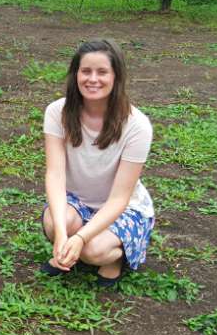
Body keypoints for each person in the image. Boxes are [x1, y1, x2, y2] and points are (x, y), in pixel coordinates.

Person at [40, 39, 154, 287]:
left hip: (123, 208)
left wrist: (80, 238)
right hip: (78, 201)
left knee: (93, 250)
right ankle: (72, 243)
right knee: (53, 223)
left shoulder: (137, 126)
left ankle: (114, 258)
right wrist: (61, 233)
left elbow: (119, 199)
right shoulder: (56, 112)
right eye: (86, 71)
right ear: (75, 74)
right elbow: (55, 175)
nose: (93, 79)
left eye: (102, 72)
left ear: (116, 77)